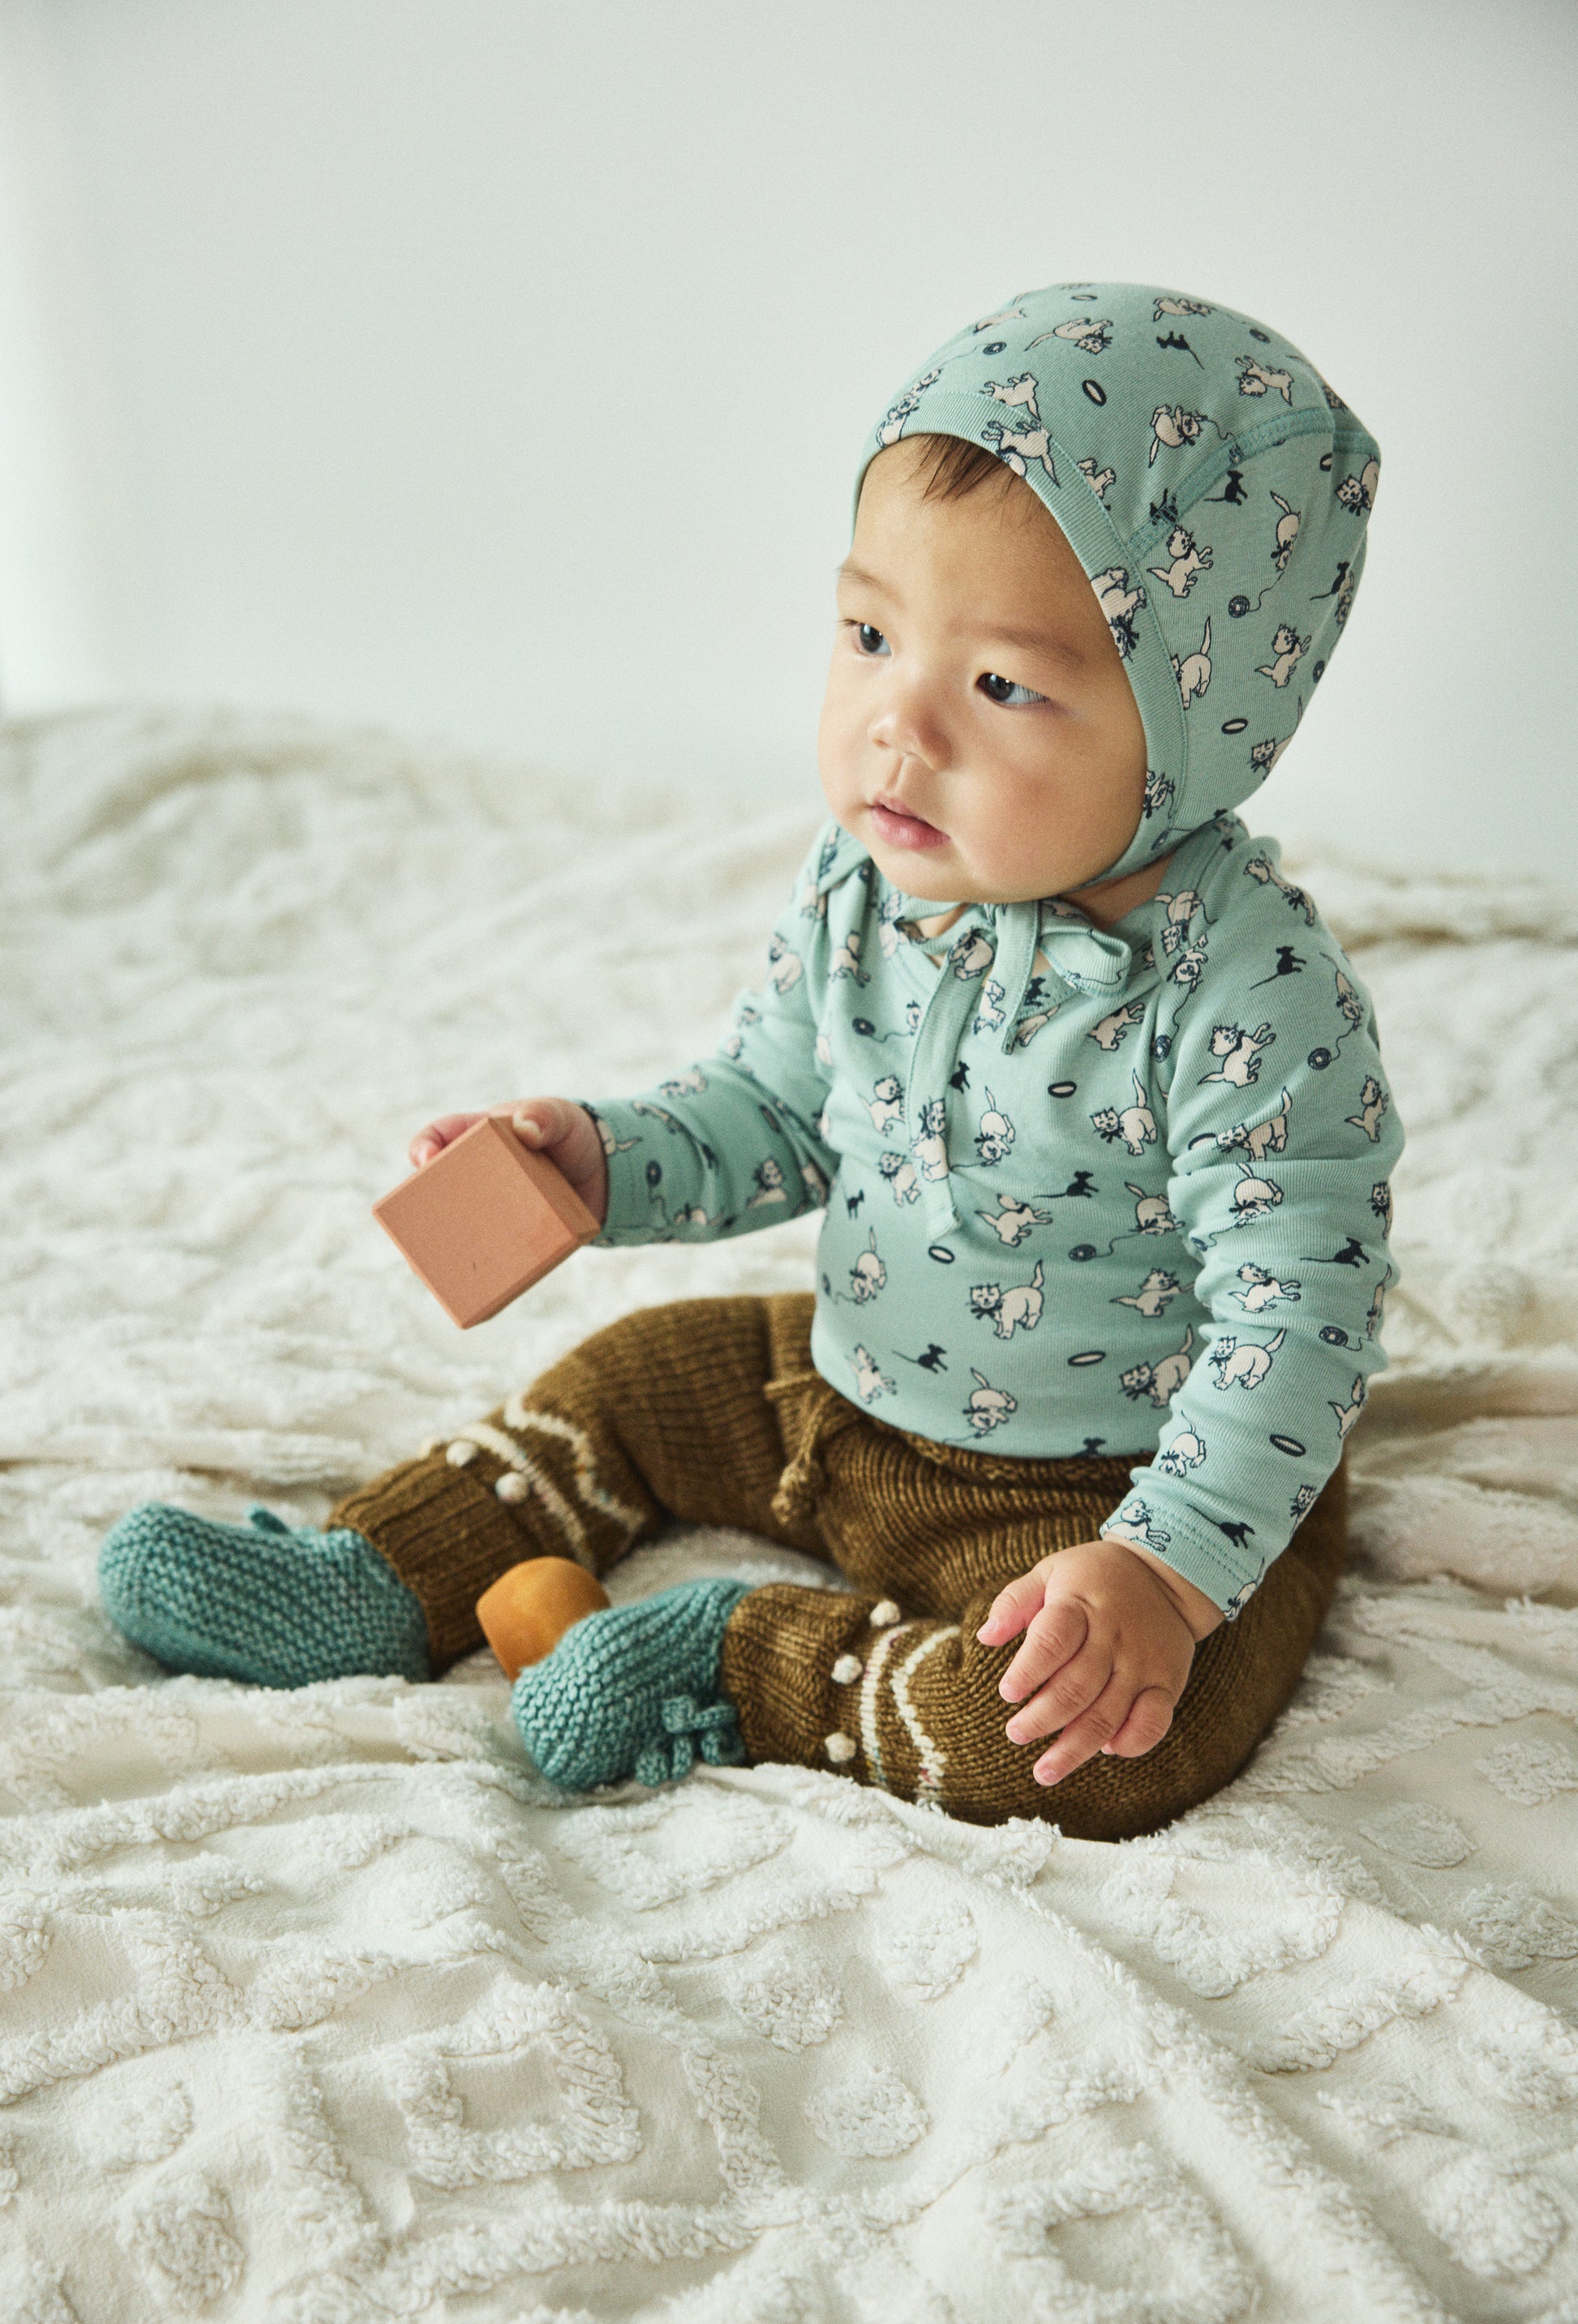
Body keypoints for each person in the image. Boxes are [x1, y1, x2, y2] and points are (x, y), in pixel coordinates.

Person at [99, 279, 1401, 1839]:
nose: (897, 728)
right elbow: (775, 1108)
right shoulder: (867, 881)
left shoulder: (1252, 1000)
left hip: (1101, 1489)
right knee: (636, 1377)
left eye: (1000, 684)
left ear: (1202, 721)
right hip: (848, 1386)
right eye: (869, 635)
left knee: (1096, 1741)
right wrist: (602, 1159)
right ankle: (379, 1573)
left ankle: (742, 1658)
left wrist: (1164, 1569)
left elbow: (1295, 1322)